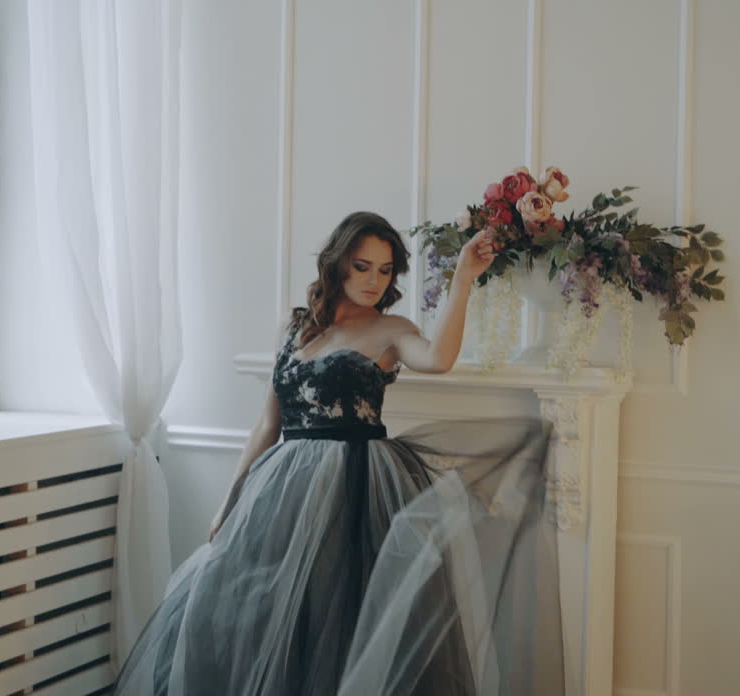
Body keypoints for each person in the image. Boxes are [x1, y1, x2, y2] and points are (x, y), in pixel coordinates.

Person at [110, 212, 565, 695]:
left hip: (356, 488)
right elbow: (268, 423)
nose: (374, 280)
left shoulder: (391, 328)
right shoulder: (295, 326)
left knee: (346, 614)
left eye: (386, 270)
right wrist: (231, 497)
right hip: (284, 489)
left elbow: (438, 360)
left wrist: (463, 282)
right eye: (363, 266)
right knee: (250, 607)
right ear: (337, 264)